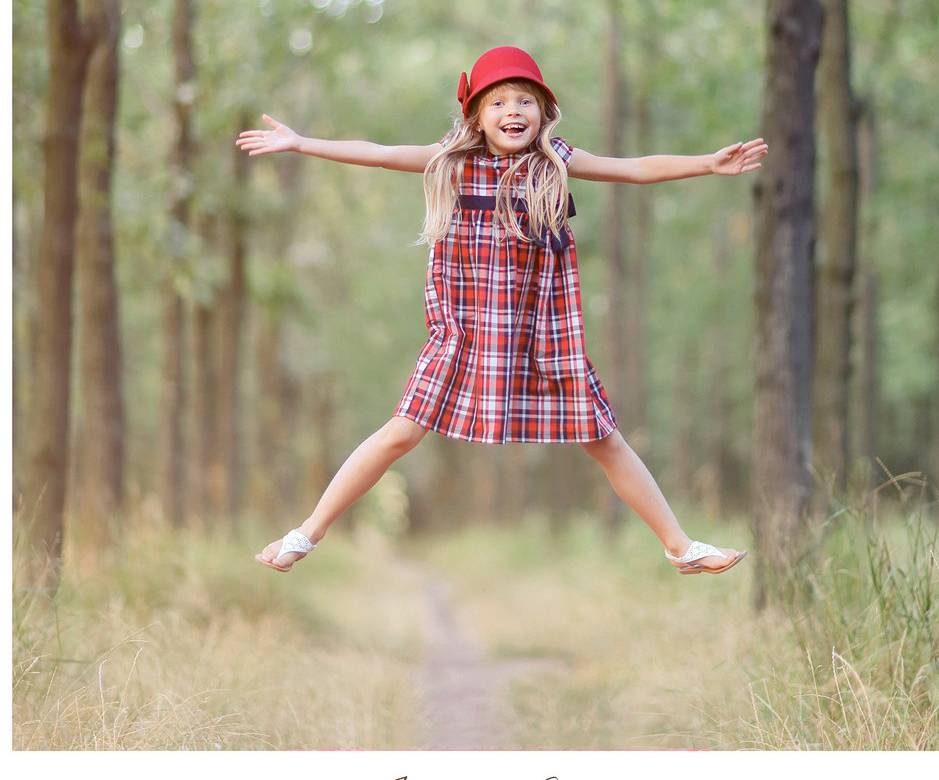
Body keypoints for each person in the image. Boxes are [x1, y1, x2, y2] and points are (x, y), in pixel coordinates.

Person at [237, 46, 767, 577]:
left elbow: (635, 168)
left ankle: (680, 546)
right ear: (476, 116)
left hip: (542, 332)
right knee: (402, 432)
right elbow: (378, 152)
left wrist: (707, 164)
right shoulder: (454, 161)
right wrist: (300, 143)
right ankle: (306, 533)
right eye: (498, 102)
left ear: (543, 112)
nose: (513, 111)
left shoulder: (554, 162)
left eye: (524, 101)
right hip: (466, 330)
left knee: (604, 439)